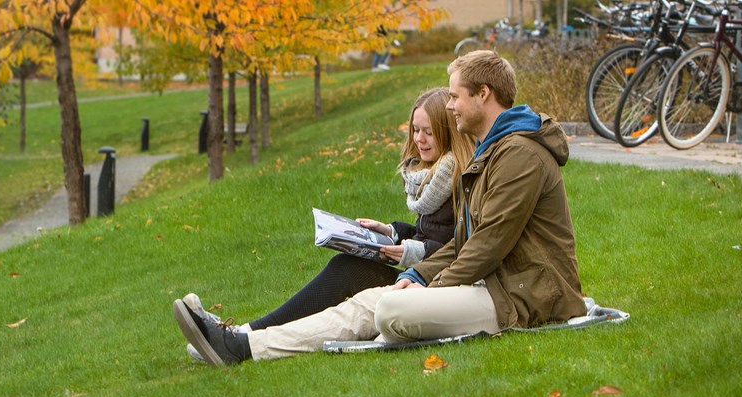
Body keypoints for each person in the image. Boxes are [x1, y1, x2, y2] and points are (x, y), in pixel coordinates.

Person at [172, 50, 587, 366]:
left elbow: (490, 244)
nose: (451, 106)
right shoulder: (491, 151)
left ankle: (240, 342)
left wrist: (428, 286)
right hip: (494, 287)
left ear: (484, 94)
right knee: (371, 299)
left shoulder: (519, 156)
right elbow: (465, 242)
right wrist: (415, 273)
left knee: (389, 307)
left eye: (456, 96)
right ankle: (242, 345)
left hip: (525, 298)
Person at [183, 88, 475, 344]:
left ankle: (244, 335)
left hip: (437, 285)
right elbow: (432, 232)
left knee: (346, 269)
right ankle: (245, 333)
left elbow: (458, 247)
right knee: (347, 263)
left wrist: (407, 252)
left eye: (428, 132)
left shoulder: (457, 178)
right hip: (422, 276)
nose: (419, 139)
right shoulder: (429, 175)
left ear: (447, 132)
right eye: (415, 130)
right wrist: (390, 232)